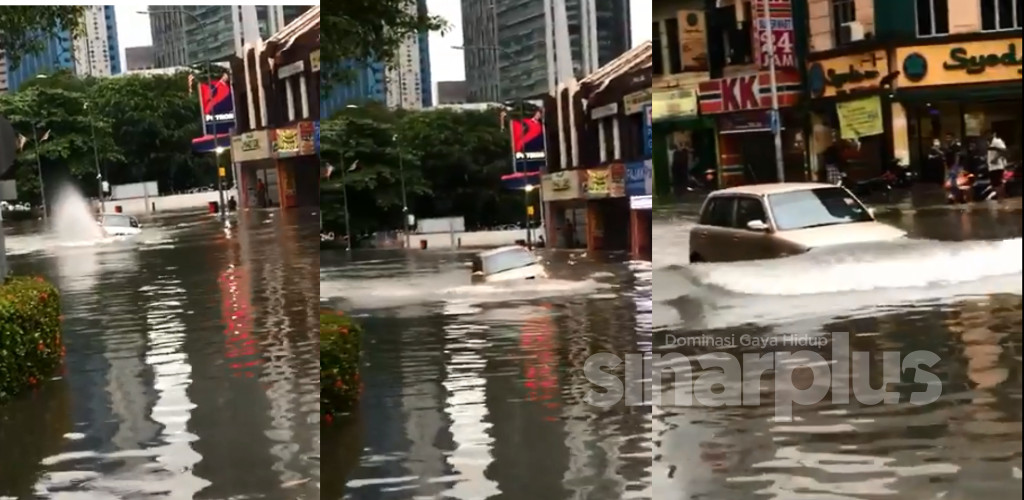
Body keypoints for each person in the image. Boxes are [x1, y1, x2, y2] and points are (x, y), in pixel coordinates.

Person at [986, 130, 1007, 201]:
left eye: (989, 134)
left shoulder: (997, 141)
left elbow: (1003, 150)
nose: (987, 136)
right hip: (991, 167)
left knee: (998, 183)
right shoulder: (989, 143)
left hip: (997, 166)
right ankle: (999, 198)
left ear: (993, 134)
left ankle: (1001, 198)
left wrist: (995, 158)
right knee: (995, 184)